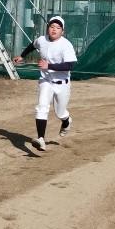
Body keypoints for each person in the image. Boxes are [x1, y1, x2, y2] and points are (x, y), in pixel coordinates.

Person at [13, 16, 77, 151]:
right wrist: (22, 56)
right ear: (48, 28)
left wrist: (49, 66)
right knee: (42, 107)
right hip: (46, 81)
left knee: (60, 113)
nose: (54, 29)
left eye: (58, 28)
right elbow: (32, 45)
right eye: (52, 26)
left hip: (62, 84)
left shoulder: (66, 45)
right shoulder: (42, 40)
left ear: (62, 31)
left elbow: (70, 65)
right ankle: (41, 139)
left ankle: (66, 121)